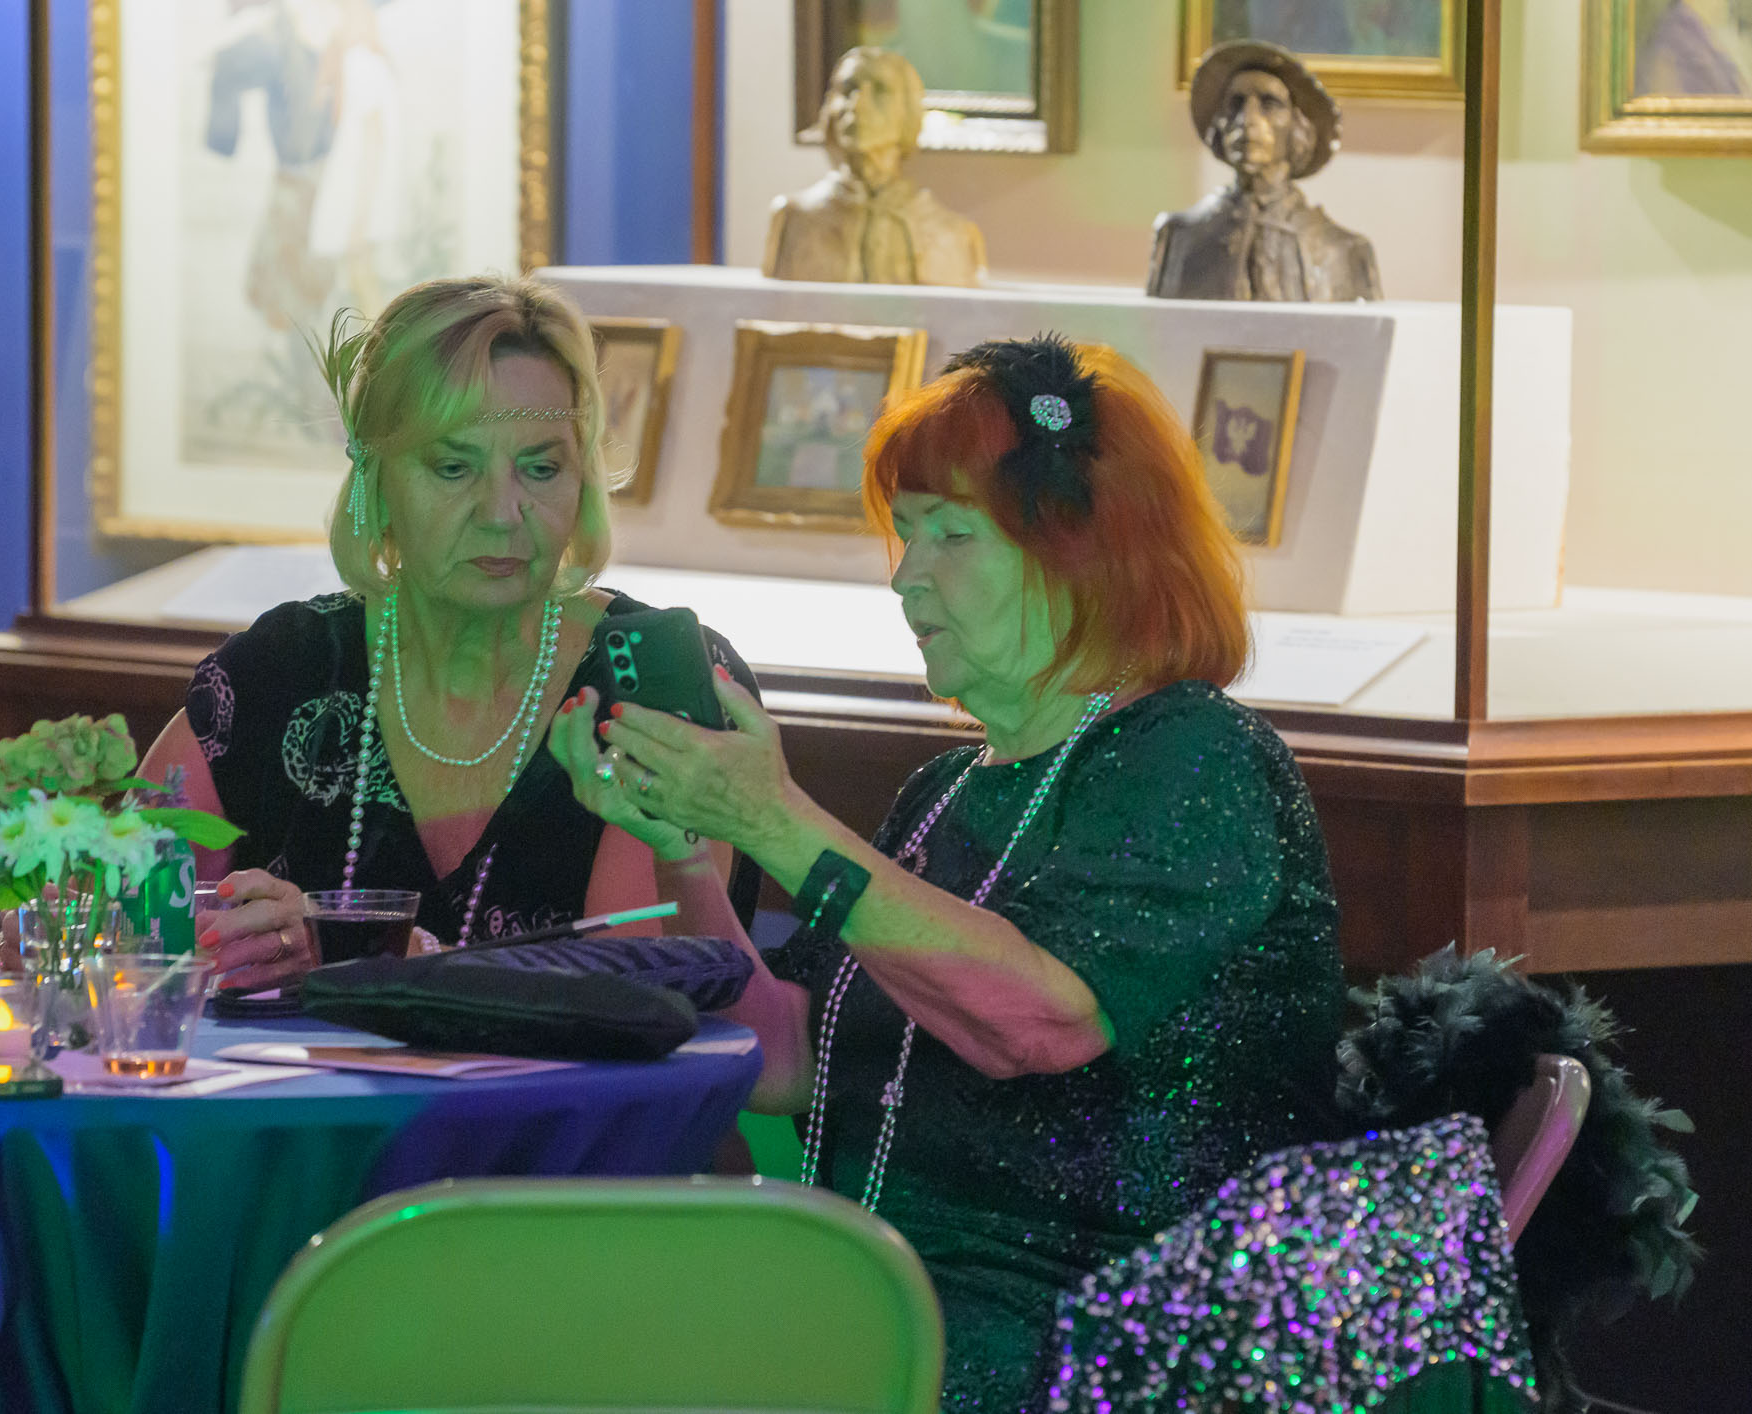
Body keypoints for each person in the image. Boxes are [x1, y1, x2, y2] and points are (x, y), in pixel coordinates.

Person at [548, 333, 1344, 1409]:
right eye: (907, 532)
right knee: (547, 1320)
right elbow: (786, 1058)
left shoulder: (1193, 754)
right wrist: (687, 847)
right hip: (892, 1293)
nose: (905, 574)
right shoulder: (945, 792)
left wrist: (775, 819)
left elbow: (1039, 1022)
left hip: (1116, 1336)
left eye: (952, 535)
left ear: (1089, 551)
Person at [138, 275, 754, 991]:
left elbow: (632, 992)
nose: (501, 512)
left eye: (541, 468)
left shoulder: (653, 677)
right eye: (454, 467)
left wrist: (361, 952)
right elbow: (121, 923)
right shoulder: (277, 672)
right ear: (376, 481)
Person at [1148, 40, 1381, 303]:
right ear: (1220, 124)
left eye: (1269, 104)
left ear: (1298, 125)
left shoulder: (1345, 250)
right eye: (1235, 104)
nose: (1247, 120)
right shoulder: (1179, 237)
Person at [764, 47, 987, 287]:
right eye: (848, 90)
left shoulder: (952, 232)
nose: (857, 105)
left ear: (907, 112)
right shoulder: (793, 220)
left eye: (880, 91)